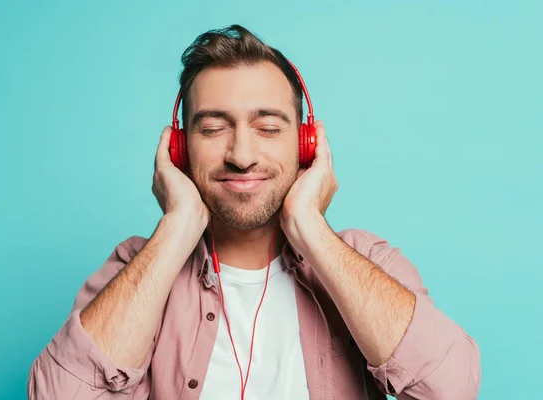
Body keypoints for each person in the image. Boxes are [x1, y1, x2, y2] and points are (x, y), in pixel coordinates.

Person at [28, 25, 481, 400]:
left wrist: (310, 227)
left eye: (267, 128)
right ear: (180, 148)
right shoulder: (136, 266)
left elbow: (452, 389)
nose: (242, 155)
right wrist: (178, 225)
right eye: (212, 128)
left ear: (306, 144)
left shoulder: (367, 259)